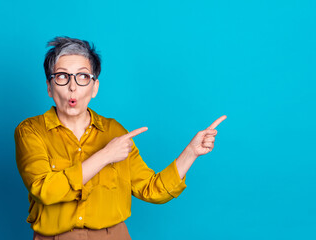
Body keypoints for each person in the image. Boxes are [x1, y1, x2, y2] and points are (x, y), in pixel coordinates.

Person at [15, 36, 227, 240]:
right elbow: (45, 190)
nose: (72, 87)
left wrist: (191, 152)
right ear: (49, 87)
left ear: (94, 87)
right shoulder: (31, 131)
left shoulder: (114, 131)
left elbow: (152, 189)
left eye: (82, 77)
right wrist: (106, 155)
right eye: (62, 76)